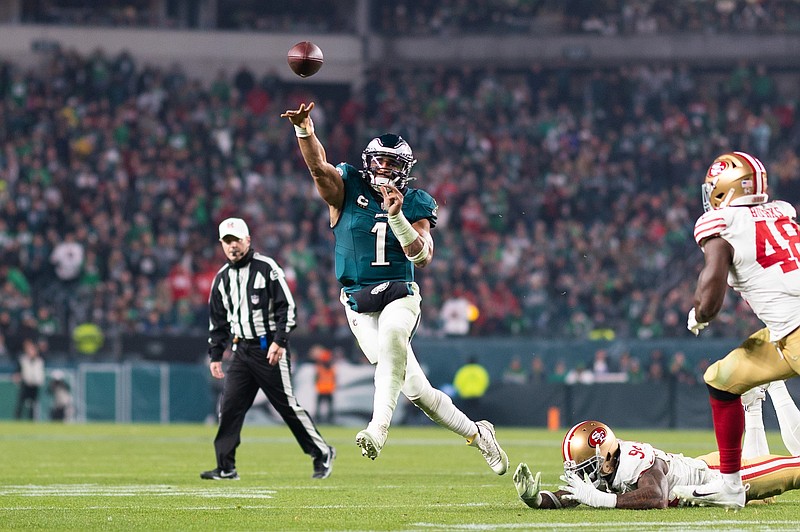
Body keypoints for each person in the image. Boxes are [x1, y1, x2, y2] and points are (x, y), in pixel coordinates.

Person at [281, 102, 508, 474]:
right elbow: (318, 168)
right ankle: (478, 433)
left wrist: (396, 216)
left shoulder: (416, 201)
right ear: (368, 162)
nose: (384, 169)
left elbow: (422, 257)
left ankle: (377, 429)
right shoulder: (347, 185)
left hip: (400, 294)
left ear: (405, 171)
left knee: (392, 339)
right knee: (418, 393)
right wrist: (305, 130)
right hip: (357, 303)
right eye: (380, 161)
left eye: (393, 164)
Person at [676, 151, 800, 508]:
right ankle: (731, 486)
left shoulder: (721, 223)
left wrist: (700, 314)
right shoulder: (782, 211)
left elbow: (713, 286)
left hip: (793, 332)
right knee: (722, 377)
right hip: (785, 333)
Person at [202, 217, 335, 481]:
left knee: (286, 406)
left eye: (237, 240)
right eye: (227, 242)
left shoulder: (267, 268)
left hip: (268, 349)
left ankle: (322, 452)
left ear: (248, 240)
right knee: (228, 407)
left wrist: (279, 341)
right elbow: (218, 320)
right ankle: (226, 467)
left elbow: (288, 308)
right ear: (221, 245)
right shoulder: (221, 279)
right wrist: (216, 354)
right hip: (241, 350)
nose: (233, 246)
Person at [513, 393, 800, 511]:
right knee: (767, 499)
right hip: (698, 471)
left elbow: (657, 498)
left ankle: (768, 391)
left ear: (608, 459)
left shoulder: (632, 462)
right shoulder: (611, 461)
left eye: (587, 465)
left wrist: (606, 500)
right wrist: (536, 499)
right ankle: (753, 405)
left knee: (793, 471)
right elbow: (574, 494)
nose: (586, 474)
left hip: (713, 477)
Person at [13, 338, 45, 420]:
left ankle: (32, 419)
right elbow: (18, 370)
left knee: (33, 404)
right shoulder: (23, 360)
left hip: (35, 385)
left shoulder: (39, 361)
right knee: (21, 402)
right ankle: (17, 419)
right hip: (26, 384)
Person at [312, 345, 336, 424]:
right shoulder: (322, 368)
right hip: (323, 390)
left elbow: (315, 379)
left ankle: (328, 420)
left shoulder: (321, 368)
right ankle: (322, 420)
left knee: (327, 408)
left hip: (326, 390)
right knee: (322, 407)